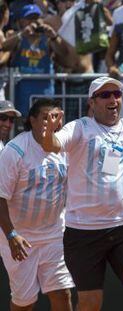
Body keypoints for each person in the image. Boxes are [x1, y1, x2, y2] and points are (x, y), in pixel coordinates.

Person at [41, 77, 123, 311]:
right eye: (105, 95)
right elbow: (53, 145)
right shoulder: (80, 127)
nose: (113, 99)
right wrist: (48, 132)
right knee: (90, 303)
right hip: (83, 230)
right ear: (92, 102)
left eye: (117, 94)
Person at [0, 98, 74, 311]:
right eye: (45, 117)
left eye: (55, 117)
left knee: (62, 294)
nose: (50, 122)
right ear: (32, 120)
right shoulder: (14, 152)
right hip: (20, 239)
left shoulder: (65, 148)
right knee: (25, 303)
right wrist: (11, 235)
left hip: (54, 236)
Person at [1, 4, 69, 116]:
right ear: (21, 21)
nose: (33, 22)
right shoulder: (16, 36)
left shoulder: (47, 38)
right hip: (22, 96)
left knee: (46, 128)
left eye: (36, 18)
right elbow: (4, 46)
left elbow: (64, 53)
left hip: (45, 95)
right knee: (23, 128)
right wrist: (22, 34)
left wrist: (54, 36)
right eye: (29, 19)